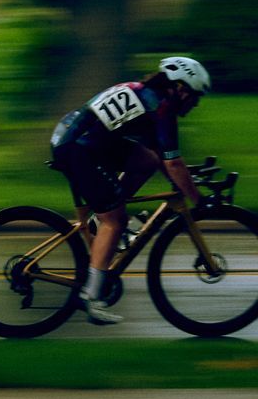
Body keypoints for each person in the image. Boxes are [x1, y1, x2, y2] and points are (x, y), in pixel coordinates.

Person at [48, 55, 210, 326]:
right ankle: (91, 296)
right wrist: (198, 199)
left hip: (77, 139)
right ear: (180, 88)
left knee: (147, 160)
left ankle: (103, 218)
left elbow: (163, 157)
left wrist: (182, 181)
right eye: (195, 97)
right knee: (115, 220)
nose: (195, 104)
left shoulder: (148, 95)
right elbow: (174, 161)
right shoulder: (161, 107)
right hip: (79, 148)